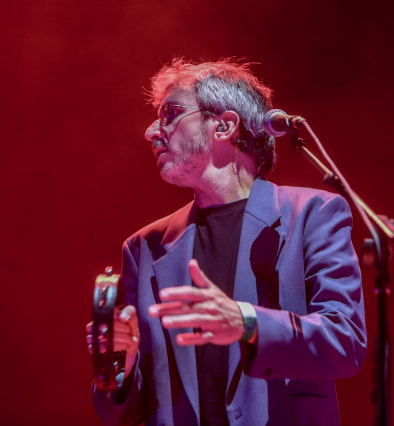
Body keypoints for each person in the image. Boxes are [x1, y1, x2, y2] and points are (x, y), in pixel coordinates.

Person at [86, 58, 367, 426]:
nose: (151, 131)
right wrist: (119, 363)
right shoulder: (144, 247)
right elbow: (127, 412)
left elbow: (344, 343)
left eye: (170, 113)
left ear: (224, 125)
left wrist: (246, 321)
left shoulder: (312, 214)